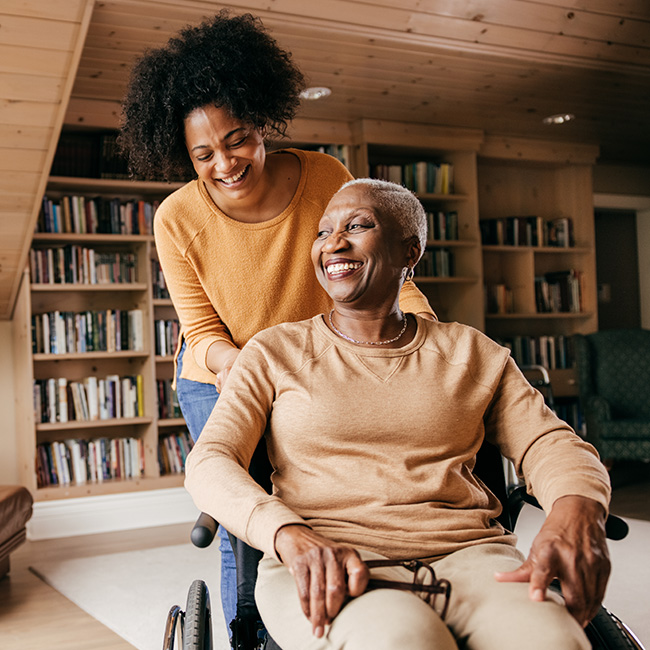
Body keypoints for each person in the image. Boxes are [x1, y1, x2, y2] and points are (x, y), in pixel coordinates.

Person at [184, 178, 612, 650]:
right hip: (327, 559)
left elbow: (551, 443)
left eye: (357, 225)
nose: (333, 243)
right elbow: (211, 461)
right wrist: (287, 534)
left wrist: (576, 511)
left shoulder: (472, 353)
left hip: (471, 557)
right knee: (405, 640)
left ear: (409, 252)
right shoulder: (274, 352)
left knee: (553, 640)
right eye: (323, 232)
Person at [118, 12, 436, 636]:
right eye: (202, 153)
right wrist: (251, 370)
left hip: (320, 363)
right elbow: (203, 334)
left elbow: (373, 270)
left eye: (236, 139)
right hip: (220, 375)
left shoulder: (325, 177)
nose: (225, 163)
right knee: (250, 508)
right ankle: (250, 632)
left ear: (261, 122)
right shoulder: (176, 218)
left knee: (327, 488)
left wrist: (428, 330)